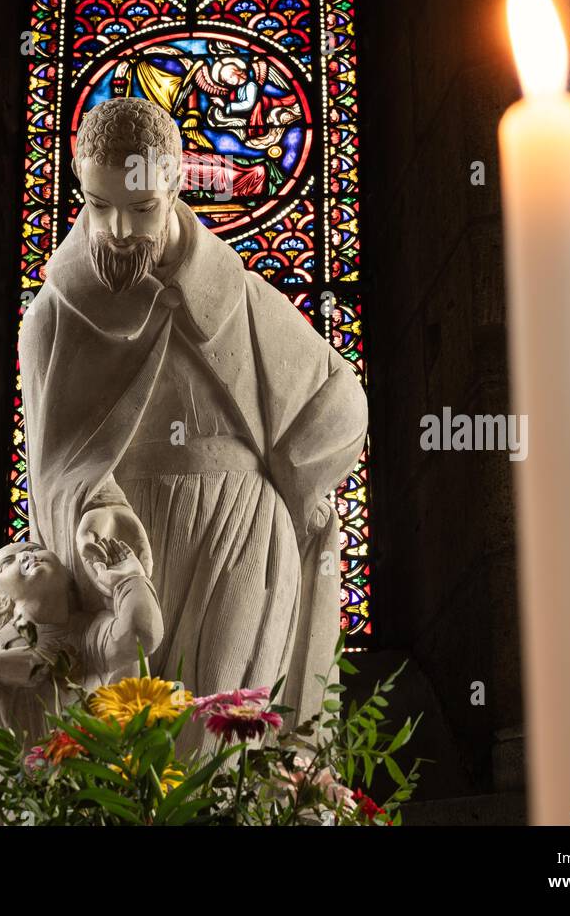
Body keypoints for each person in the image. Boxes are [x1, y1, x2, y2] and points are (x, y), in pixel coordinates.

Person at [19, 96, 368, 726]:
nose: (118, 232)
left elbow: (337, 401)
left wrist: (287, 492)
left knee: (226, 751)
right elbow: (50, 474)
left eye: (141, 208)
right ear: (80, 183)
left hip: (241, 537)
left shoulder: (234, 295)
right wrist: (96, 518)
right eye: (100, 207)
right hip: (128, 556)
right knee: (129, 767)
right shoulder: (53, 318)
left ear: (177, 184)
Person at [0, 537, 163, 751]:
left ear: (67, 574)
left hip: (85, 775)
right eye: (7, 563)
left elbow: (140, 635)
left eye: (35, 548)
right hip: (21, 781)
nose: (25, 555)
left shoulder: (88, 631)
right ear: (1, 600)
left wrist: (129, 578)